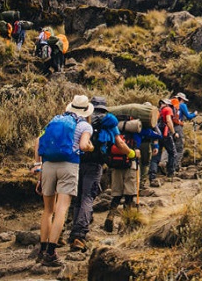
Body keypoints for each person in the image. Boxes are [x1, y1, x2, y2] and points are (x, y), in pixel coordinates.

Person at [35, 95, 94, 267]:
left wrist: (39, 168)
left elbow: (38, 142)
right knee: (62, 208)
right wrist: (90, 147)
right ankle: (51, 252)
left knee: (48, 210)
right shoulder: (84, 125)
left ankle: (42, 249)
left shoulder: (55, 120)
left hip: (47, 165)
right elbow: (83, 146)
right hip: (68, 165)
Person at [67, 96, 131, 252]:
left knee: (77, 198)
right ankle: (79, 235)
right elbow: (119, 143)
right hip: (95, 164)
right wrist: (131, 154)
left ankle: (73, 233)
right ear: (104, 107)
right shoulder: (109, 122)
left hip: (76, 162)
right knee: (88, 197)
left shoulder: (81, 118)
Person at [157, 98, 178, 182]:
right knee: (173, 153)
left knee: (156, 155)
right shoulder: (168, 109)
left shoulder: (158, 110)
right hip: (166, 134)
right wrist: (173, 133)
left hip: (157, 134)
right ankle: (170, 173)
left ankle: (153, 174)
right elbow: (169, 121)